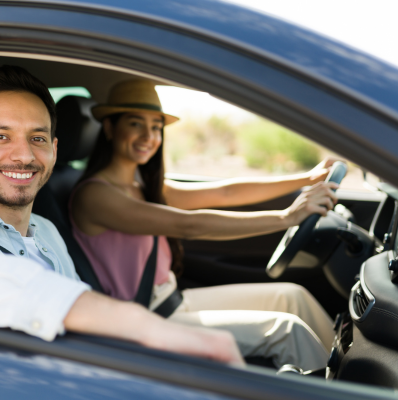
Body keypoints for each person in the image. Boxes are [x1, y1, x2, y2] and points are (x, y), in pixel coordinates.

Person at [0, 65, 245, 367]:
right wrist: (143, 326)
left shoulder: (47, 231)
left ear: (54, 150)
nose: (23, 156)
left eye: (37, 138)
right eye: (0, 137)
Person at [69, 79, 340, 370]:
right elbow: (189, 225)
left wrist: (306, 179)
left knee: (292, 296)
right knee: (286, 330)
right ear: (109, 128)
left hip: (172, 300)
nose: (148, 136)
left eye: (156, 127)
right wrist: (287, 218)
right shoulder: (94, 195)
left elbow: (226, 192)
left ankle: (353, 378)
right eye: (135, 124)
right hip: (146, 317)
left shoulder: (142, 185)